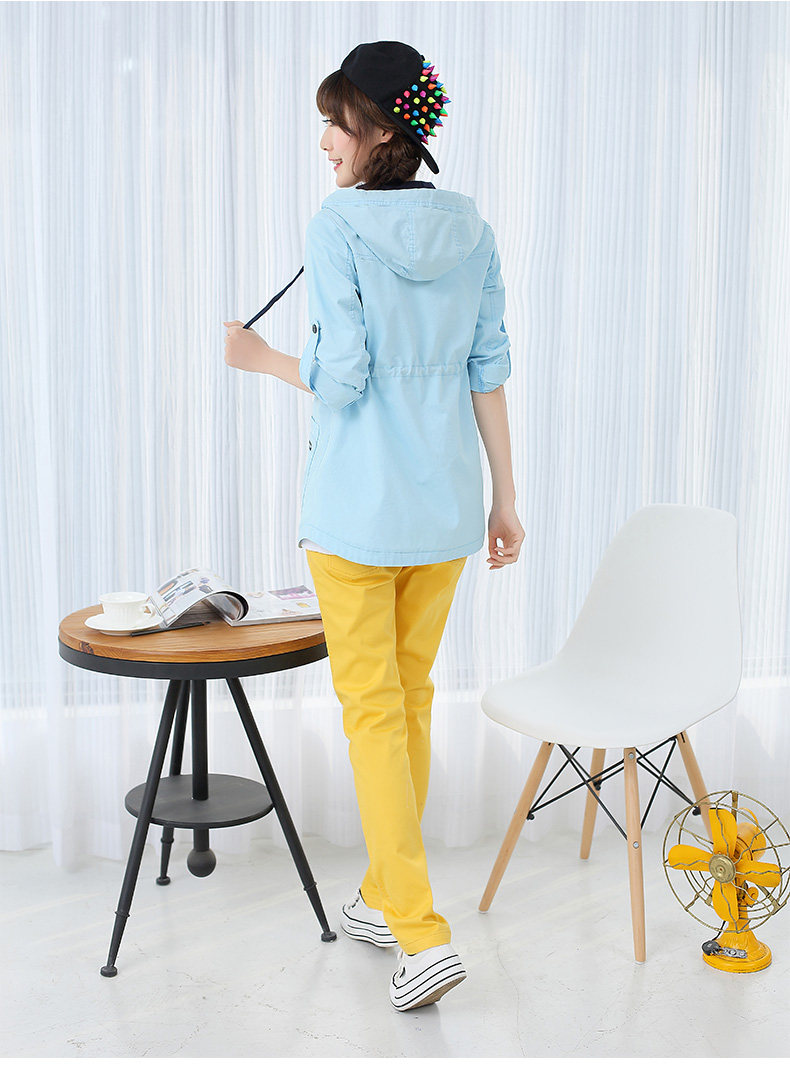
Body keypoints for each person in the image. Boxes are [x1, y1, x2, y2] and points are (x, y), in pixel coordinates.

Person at [224, 40, 525, 1012]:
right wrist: (505, 497)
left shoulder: (337, 225)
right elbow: (488, 367)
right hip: (444, 509)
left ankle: (422, 933)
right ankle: (382, 898)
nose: (323, 142)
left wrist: (261, 358)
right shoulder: (471, 226)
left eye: (334, 122)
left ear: (381, 127)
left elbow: (342, 375)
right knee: (409, 699)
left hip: (357, 515)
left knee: (373, 713)